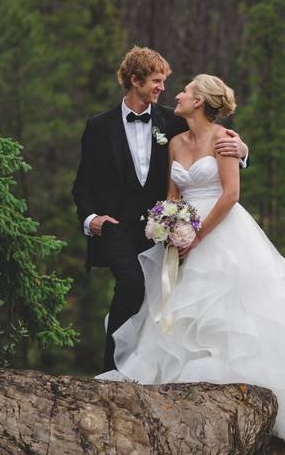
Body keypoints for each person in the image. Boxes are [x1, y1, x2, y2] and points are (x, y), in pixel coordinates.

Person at [97, 74, 285, 442]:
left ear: (199, 100)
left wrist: (197, 237)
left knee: (231, 312)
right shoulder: (175, 141)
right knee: (177, 311)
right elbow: (172, 193)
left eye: (184, 90)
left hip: (221, 230)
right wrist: (170, 228)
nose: (177, 94)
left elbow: (231, 194)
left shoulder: (225, 140)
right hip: (184, 233)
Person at [72, 47, 249, 372]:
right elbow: (82, 184)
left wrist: (243, 150)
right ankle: (110, 370)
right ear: (135, 80)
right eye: (156, 81)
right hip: (117, 227)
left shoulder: (173, 120)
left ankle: (147, 371)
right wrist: (91, 218)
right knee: (130, 283)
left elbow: (211, 142)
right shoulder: (98, 127)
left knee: (161, 297)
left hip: (159, 230)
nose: (163, 88)